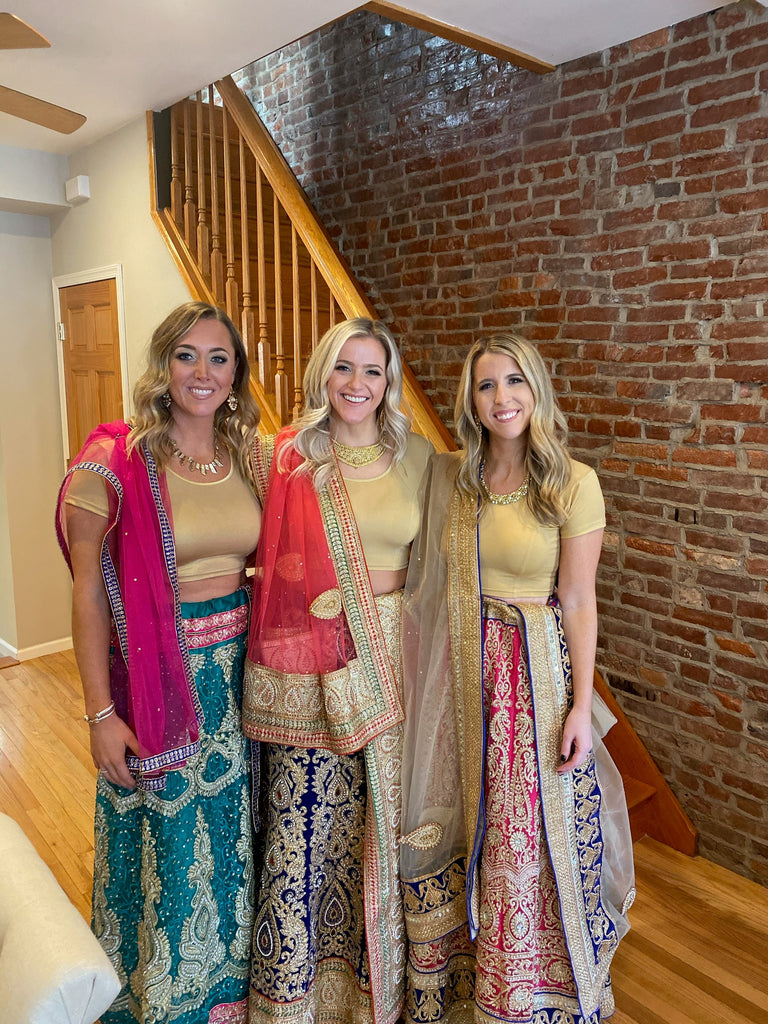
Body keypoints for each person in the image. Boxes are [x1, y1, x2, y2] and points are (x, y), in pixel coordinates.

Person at [399, 333, 635, 1024]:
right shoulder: (456, 478)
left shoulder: (571, 482)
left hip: (532, 675)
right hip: (463, 668)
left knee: (523, 833)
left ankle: (530, 985)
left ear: (536, 391)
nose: (501, 398)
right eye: (485, 386)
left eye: (514, 383)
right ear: (470, 402)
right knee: (467, 820)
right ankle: (469, 973)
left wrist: (578, 708)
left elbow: (581, 600)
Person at [56, 301, 262, 1024]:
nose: (201, 372)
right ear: (162, 364)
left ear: (236, 374)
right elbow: (87, 595)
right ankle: (159, 1002)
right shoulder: (113, 466)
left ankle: (227, 1001)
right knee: (166, 852)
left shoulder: (250, 456)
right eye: (185, 355)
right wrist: (100, 714)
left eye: (218, 357)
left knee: (234, 847)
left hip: (241, 683)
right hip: (154, 682)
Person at [242, 318, 433, 1024]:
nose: (358, 384)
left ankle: (371, 997)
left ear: (390, 381)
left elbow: (438, 561)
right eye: (344, 368)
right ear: (323, 373)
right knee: (306, 827)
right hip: (311, 664)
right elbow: (260, 557)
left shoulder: (417, 456)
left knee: (379, 830)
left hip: (394, 659)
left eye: (373, 371)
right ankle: (294, 1001)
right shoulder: (285, 456)